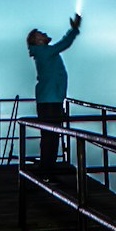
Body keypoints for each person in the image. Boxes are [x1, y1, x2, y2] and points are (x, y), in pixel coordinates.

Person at [26, 14, 81, 174]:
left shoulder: (43, 52)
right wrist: (74, 29)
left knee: (49, 136)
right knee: (51, 136)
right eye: (40, 34)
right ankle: (47, 169)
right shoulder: (45, 52)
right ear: (38, 41)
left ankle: (47, 167)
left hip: (50, 99)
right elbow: (64, 44)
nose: (43, 34)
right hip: (50, 100)